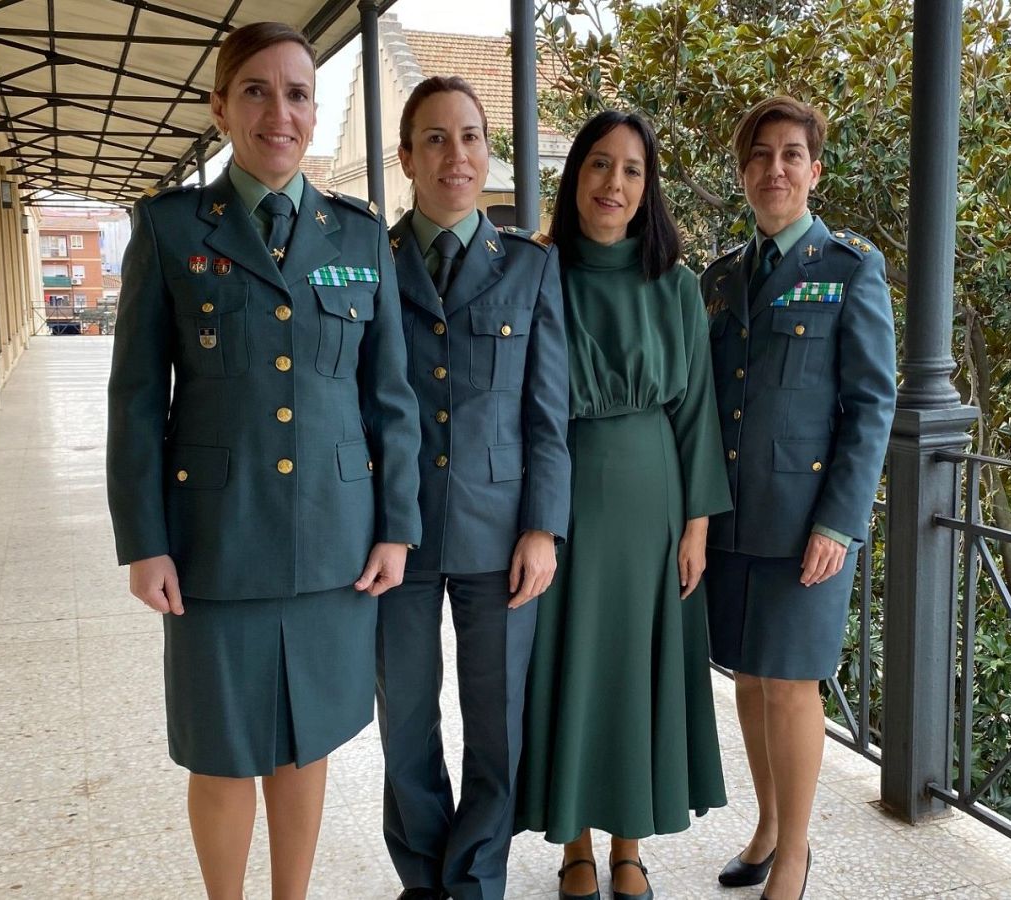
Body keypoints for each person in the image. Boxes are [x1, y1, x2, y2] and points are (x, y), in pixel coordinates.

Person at [104, 21, 420, 900]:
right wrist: (144, 540)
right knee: (221, 747)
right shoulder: (171, 229)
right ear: (220, 107)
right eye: (256, 91)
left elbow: (387, 396)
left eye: (297, 93)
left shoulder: (358, 237)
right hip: (213, 540)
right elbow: (135, 397)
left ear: (314, 112)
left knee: (305, 740)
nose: (278, 111)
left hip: (335, 539)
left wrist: (398, 527)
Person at [515, 110, 732, 900]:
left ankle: (628, 846)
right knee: (568, 661)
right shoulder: (534, 272)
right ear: (575, 175)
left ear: (649, 189)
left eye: (633, 170)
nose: (614, 183)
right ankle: (573, 841)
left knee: (637, 666)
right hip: (558, 495)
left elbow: (697, 408)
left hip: (654, 502)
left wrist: (698, 522)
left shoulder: (674, 283)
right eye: (600, 165)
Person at [375, 76, 570, 900]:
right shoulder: (367, 262)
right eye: (437, 138)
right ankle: (424, 876)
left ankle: (477, 877)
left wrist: (543, 527)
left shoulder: (529, 265)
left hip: (500, 533)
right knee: (407, 722)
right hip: (396, 531)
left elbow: (548, 412)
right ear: (407, 156)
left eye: (472, 136)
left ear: (488, 151)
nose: (457, 155)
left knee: (497, 724)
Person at [700, 96, 896, 900]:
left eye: (790, 155)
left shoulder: (851, 269)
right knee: (749, 677)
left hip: (808, 523)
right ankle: (769, 824)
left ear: (815, 171)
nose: (773, 170)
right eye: (759, 157)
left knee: (792, 685)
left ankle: (796, 854)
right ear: (743, 172)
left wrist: (841, 524)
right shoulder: (720, 278)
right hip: (733, 516)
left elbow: (872, 404)